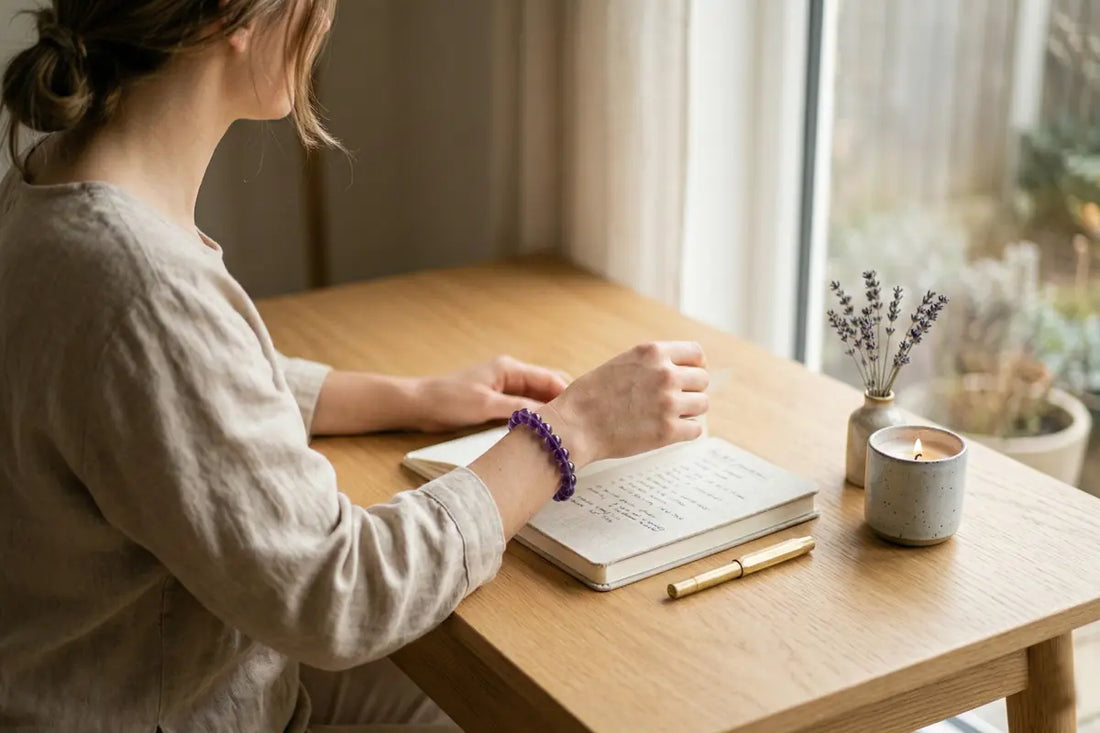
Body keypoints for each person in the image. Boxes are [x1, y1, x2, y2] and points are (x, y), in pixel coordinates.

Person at [0, 1, 710, 730]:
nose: (326, 19)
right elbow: (338, 591)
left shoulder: (50, 186)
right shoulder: (143, 288)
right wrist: (572, 429)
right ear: (229, 20)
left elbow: (173, 389)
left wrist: (409, 397)